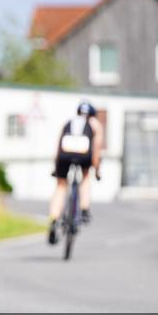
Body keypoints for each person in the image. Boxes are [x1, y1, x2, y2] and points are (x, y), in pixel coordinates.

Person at [47, 100, 103, 244]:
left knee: (60, 186)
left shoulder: (69, 122)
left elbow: (58, 146)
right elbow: (96, 149)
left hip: (64, 155)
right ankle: (84, 210)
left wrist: (56, 167)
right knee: (85, 177)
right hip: (84, 156)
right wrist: (96, 169)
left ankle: (53, 220)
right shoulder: (94, 124)